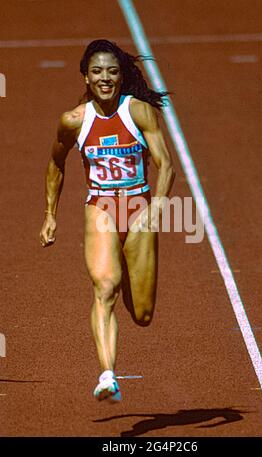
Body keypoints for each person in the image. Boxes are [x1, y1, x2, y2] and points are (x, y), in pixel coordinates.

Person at [39, 39, 175, 403]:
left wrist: (157, 208)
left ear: (121, 76)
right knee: (104, 288)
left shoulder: (140, 112)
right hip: (99, 208)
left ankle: (127, 270)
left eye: (112, 71)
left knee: (143, 314)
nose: (105, 78)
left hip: (139, 208)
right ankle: (107, 375)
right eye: (97, 71)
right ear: (85, 76)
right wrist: (50, 214)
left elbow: (165, 163)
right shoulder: (73, 121)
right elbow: (56, 163)